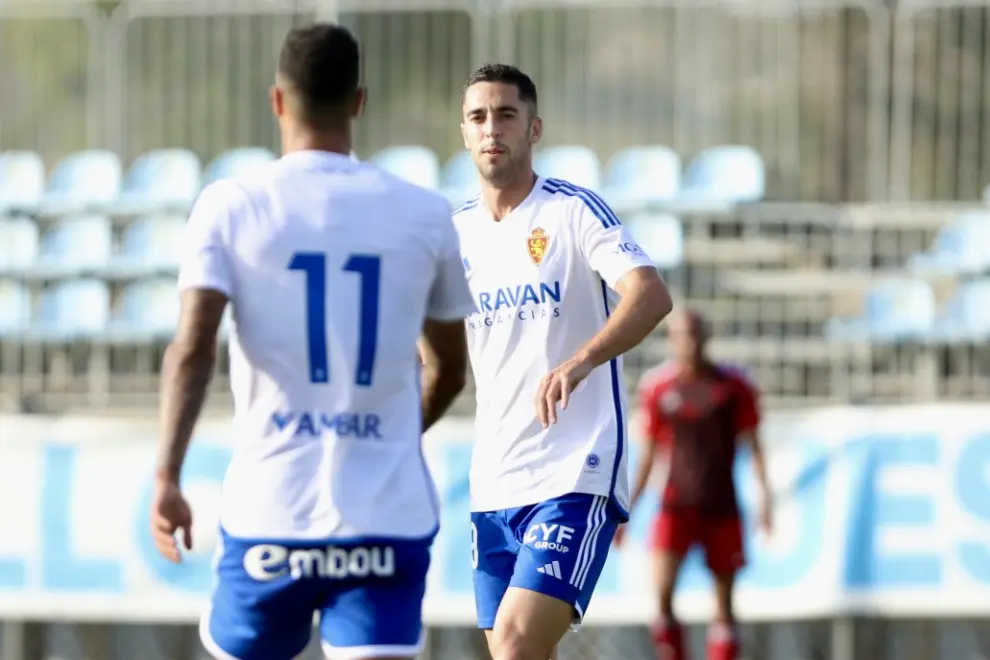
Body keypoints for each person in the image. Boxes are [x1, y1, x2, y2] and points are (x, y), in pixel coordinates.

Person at [150, 23, 475, 660]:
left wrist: (168, 474)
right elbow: (450, 370)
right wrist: (387, 435)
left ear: (277, 100)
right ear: (359, 100)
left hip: (271, 517)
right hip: (386, 518)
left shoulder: (230, 205)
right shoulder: (425, 211)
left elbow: (191, 349)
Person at [440, 62, 674, 660]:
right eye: (478, 117)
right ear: (464, 133)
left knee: (517, 646)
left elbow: (650, 294)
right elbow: (428, 344)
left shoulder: (572, 211)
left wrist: (582, 360)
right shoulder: (454, 234)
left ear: (533, 129)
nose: (492, 128)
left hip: (573, 471)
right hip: (493, 480)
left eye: (506, 115)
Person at [615, 309, 772, 660]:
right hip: (674, 505)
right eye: (683, 334)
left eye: (696, 332)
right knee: (663, 594)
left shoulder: (733, 386)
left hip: (721, 504)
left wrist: (765, 498)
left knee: (725, 603)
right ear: (672, 339)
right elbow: (649, 456)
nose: (691, 341)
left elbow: (755, 445)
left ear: (706, 336)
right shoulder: (659, 388)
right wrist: (628, 512)